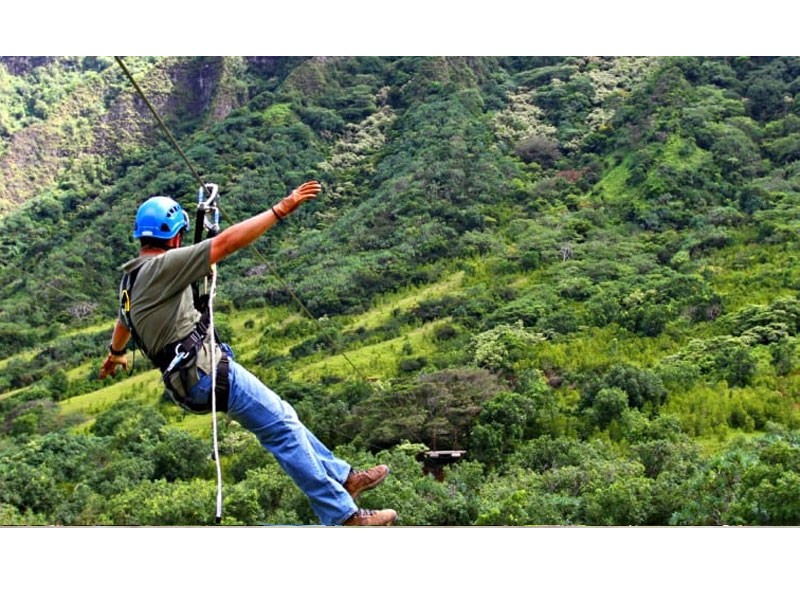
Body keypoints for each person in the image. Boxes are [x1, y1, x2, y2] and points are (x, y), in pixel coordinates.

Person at [99, 180, 397, 526]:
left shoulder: (131, 279)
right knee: (282, 430)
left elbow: (123, 323)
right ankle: (343, 516)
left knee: (285, 417)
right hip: (206, 373)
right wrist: (280, 209)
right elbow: (225, 243)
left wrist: (115, 353)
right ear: (175, 237)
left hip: (189, 379)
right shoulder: (162, 267)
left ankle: (344, 477)